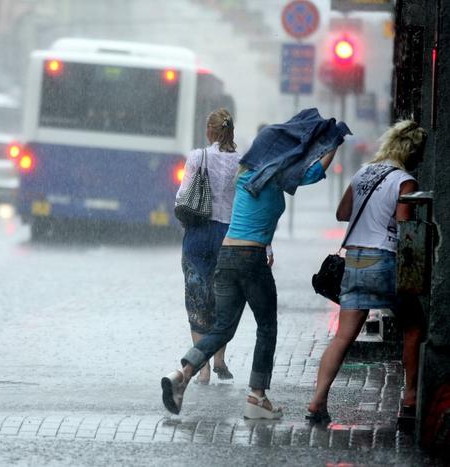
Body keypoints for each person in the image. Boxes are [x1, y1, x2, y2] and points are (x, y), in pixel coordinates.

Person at [162, 108, 350, 418]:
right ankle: (257, 397)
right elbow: (315, 172)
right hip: (251, 259)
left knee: (223, 328)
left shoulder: (245, 172)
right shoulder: (276, 176)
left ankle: (181, 375)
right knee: (267, 327)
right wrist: (334, 144)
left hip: (227, 256)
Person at [307, 120, 428, 424]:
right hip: (384, 262)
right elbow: (404, 230)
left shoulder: (363, 173)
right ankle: (410, 401)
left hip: (354, 262)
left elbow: (342, 213)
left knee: (343, 337)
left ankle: (317, 402)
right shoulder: (404, 181)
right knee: (413, 327)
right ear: (410, 151)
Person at [176, 108, 241, 385]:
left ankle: (200, 368)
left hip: (198, 232)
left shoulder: (196, 157)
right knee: (222, 300)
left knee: (197, 299)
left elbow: (182, 195)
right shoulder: (241, 162)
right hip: (229, 235)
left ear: (209, 131)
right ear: (230, 131)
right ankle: (219, 360)